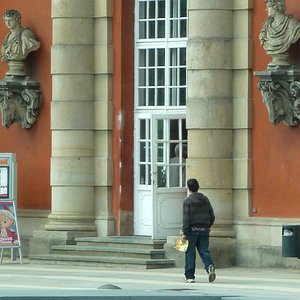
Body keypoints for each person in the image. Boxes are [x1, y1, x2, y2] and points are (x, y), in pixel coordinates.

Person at [181, 178, 216, 283]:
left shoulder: (188, 201)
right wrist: (209, 226)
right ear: (198, 187)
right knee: (204, 251)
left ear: (188, 188)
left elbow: (186, 218)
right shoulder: (205, 199)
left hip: (192, 230)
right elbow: (212, 215)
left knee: (190, 253)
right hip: (204, 229)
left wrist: (184, 233)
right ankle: (209, 266)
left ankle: (190, 277)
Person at [259, 0, 300, 65]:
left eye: (268, 7)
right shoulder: (266, 27)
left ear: (276, 7)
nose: (266, 10)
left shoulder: (292, 24)